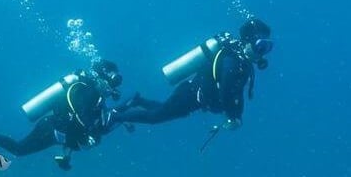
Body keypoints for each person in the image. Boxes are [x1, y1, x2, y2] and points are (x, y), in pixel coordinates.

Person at [0, 60, 123, 170]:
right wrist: (88, 133)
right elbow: (77, 117)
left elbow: (77, 127)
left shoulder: (96, 97)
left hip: (55, 131)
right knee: (19, 150)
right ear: (103, 75)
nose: (113, 86)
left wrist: (68, 154)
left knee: (19, 150)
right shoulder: (87, 90)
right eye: (113, 79)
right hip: (49, 128)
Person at [109, 18, 273, 133]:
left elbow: (236, 93)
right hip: (189, 95)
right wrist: (233, 116)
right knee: (155, 117)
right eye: (261, 46)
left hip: (191, 96)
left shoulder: (242, 63)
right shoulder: (233, 61)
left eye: (267, 47)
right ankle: (115, 116)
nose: (262, 53)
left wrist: (236, 116)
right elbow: (226, 91)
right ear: (248, 42)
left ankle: (137, 100)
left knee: (162, 110)